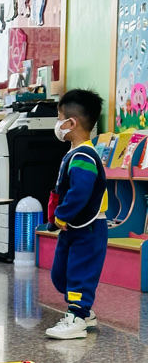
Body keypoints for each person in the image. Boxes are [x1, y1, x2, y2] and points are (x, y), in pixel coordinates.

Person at [45, 89, 107, 340]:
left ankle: (77, 317)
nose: (57, 124)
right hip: (73, 227)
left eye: (59, 119)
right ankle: (84, 313)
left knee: (80, 272)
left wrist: (62, 215)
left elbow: (80, 192)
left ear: (71, 123)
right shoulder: (76, 152)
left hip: (87, 229)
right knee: (61, 274)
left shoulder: (84, 155)